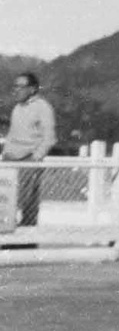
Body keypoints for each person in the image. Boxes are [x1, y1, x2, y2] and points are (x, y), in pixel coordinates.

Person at [3, 73, 56, 227]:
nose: (16, 90)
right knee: (6, 201)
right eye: (15, 86)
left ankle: (27, 241)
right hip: (10, 160)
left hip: (28, 160)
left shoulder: (43, 107)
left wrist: (35, 159)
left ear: (32, 89)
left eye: (21, 86)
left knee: (28, 202)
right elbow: (12, 135)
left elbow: (49, 138)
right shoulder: (17, 108)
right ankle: (8, 237)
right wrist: (5, 154)